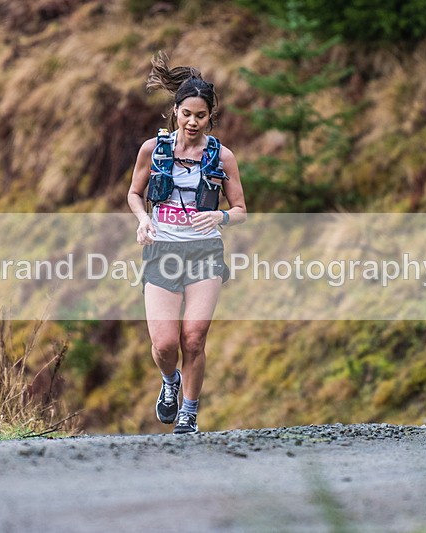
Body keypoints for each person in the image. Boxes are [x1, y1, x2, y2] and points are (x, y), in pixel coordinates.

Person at [127, 53, 247, 434]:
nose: (193, 122)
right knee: (164, 345)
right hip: (162, 251)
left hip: (204, 252)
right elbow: (133, 193)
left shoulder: (222, 157)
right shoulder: (153, 150)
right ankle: (169, 382)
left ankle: (189, 414)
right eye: (187, 114)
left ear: (211, 116)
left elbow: (242, 208)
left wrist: (221, 216)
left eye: (201, 115)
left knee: (193, 339)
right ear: (175, 112)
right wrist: (144, 219)